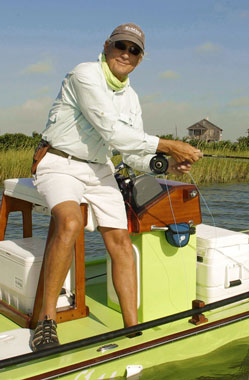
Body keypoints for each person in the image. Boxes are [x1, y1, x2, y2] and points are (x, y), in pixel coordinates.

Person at [31, 22, 202, 351]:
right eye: (121, 46)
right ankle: (46, 320)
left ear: (140, 59)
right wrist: (169, 144)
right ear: (107, 46)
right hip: (58, 161)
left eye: (134, 50)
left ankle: (132, 329)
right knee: (69, 221)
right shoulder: (85, 75)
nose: (126, 53)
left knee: (121, 242)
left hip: (99, 168)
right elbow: (112, 132)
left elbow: (134, 153)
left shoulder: (131, 97)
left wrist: (165, 163)